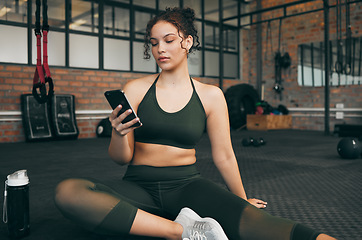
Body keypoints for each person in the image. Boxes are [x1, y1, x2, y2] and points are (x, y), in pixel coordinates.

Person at [55, 7, 337, 240]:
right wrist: (118, 133)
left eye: (168, 40)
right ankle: (178, 230)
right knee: (68, 192)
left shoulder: (211, 96)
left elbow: (224, 155)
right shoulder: (136, 89)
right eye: (153, 43)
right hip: (138, 187)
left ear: (187, 42)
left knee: (258, 223)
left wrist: (240, 200)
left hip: (187, 185)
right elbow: (121, 158)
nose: (159, 49)